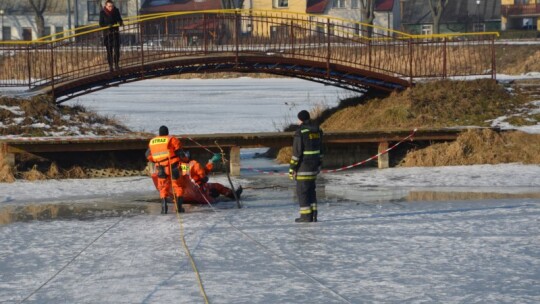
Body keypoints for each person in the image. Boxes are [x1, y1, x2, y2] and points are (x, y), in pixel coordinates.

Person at [289, 110, 323, 223]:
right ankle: (314, 215)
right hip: (314, 166)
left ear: (300, 120)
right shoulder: (318, 130)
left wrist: (292, 168)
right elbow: (321, 149)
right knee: (311, 191)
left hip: (303, 166)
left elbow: (297, 152)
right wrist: (319, 163)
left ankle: (305, 216)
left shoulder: (300, 132)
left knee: (302, 192)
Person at [146, 125, 185, 214]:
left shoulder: (152, 141)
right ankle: (179, 208)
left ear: (159, 133)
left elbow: (148, 155)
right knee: (177, 186)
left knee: (163, 187)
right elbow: (180, 152)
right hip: (173, 165)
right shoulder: (171, 139)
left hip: (160, 167)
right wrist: (185, 160)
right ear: (167, 132)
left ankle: (164, 208)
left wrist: (155, 160)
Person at [179, 151, 243, 203]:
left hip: (182, 195)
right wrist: (211, 162)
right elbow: (202, 175)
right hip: (197, 191)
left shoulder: (179, 165)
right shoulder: (193, 164)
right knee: (217, 188)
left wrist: (210, 162)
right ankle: (233, 195)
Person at [99, 0, 123, 72]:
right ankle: (110, 66)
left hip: (115, 33)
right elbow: (101, 23)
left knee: (117, 50)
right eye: (109, 6)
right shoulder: (102, 12)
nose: (111, 8)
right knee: (109, 52)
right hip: (107, 35)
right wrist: (107, 26)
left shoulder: (116, 11)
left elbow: (120, 19)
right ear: (106, 6)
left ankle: (116, 65)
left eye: (112, 6)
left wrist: (120, 22)